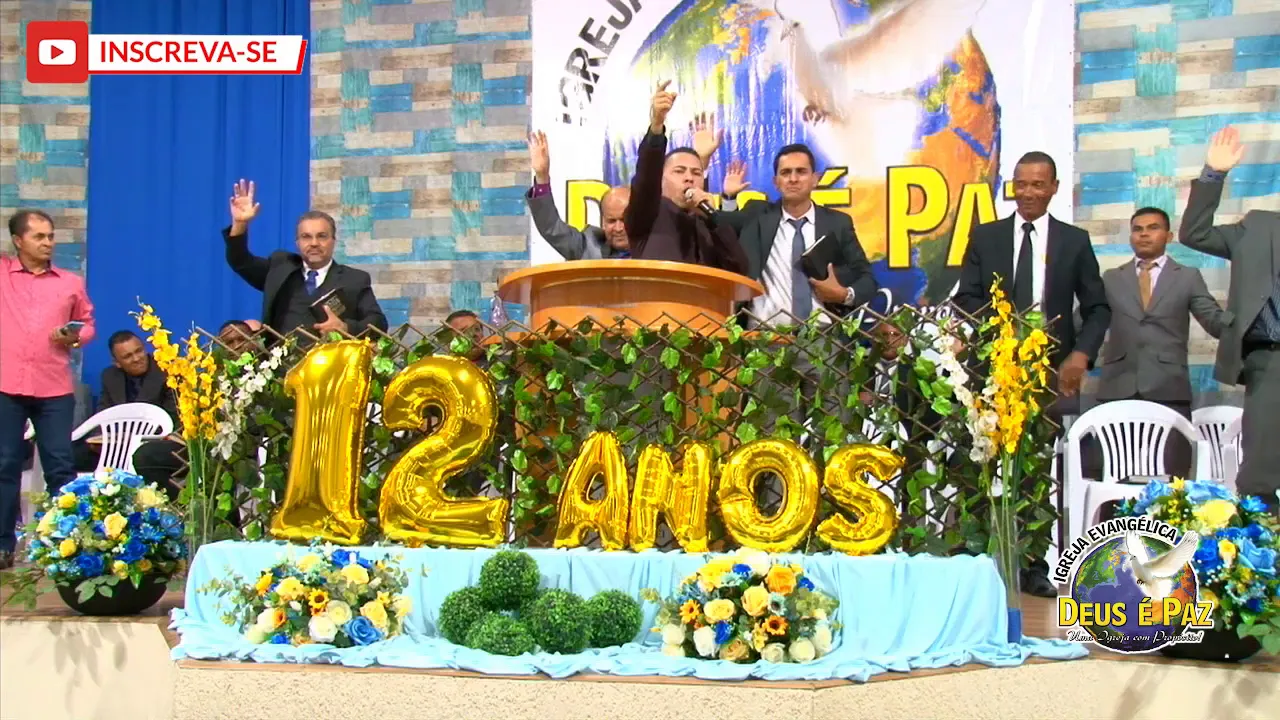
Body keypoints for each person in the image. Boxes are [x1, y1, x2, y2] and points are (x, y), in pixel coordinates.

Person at [953, 151, 1111, 597]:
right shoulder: (986, 236)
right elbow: (967, 298)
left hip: (1047, 376)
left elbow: (1098, 308)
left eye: (1038, 184)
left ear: (1054, 187)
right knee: (979, 464)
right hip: (991, 371)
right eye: (1020, 184)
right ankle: (977, 560)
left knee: (1035, 471)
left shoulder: (1074, 241)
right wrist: (992, 336)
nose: (1027, 193)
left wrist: (1080, 355)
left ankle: (1033, 564)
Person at [1179, 126, 1280, 510]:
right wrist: (1213, 174)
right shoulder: (1259, 228)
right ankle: (1263, 539)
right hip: (1271, 361)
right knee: (1261, 475)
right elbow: (1195, 233)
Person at [1096, 207, 1226, 477]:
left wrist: (1245, 322)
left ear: (1168, 236)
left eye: (1153, 228)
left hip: (1169, 389)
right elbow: (1087, 322)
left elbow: (1213, 320)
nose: (1144, 234)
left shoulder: (1188, 276)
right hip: (1118, 388)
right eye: (1137, 229)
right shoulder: (1111, 278)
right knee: (1114, 476)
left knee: (1174, 479)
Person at [0, 209, 96, 569]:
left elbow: (87, 324)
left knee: (60, 466)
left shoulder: (69, 282)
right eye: (39, 236)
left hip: (53, 386)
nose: (48, 243)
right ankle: (3, 546)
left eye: (51, 236)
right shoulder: (3, 274)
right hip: (6, 383)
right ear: (18, 240)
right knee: (5, 464)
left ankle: (66, 547)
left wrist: (74, 335)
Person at [718, 144, 878, 324]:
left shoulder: (837, 223)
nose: (793, 179)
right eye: (785, 173)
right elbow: (727, 233)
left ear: (815, 179)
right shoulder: (758, 215)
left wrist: (843, 295)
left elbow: (867, 279)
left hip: (823, 336)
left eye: (801, 172)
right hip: (763, 334)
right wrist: (728, 198)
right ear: (776, 182)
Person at [222, 180, 388, 337]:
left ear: (333, 241)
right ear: (297, 243)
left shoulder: (354, 280)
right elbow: (240, 261)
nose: (314, 243)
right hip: (282, 358)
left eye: (322, 236)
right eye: (306, 237)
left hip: (332, 358)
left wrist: (345, 328)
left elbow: (379, 323)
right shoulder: (279, 268)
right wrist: (240, 224)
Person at [623, 81, 748, 274]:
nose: (689, 178)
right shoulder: (648, 214)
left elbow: (739, 270)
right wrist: (657, 127)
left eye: (696, 173)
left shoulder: (708, 224)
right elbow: (646, 179)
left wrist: (713, 220)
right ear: (661, 179)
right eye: (679, 171)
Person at [73, 331, 181, 471]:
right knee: (75, 454)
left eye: (139, 351)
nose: (136, 359)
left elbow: (173, 418)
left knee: (144, 455)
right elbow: (103, 413)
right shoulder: (110, 377)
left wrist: (137, 439)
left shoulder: (167, 372)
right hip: (119, 443)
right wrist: (99, 439)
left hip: (156, 440)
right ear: (117, 362)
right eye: (128, 356)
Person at [526, 131, 631, 259]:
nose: (618, 228)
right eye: (611, 221)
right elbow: (551, 228)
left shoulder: (652, 249)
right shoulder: (587, 246)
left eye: (625, 220)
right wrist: (542, 177)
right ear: (603, 222)